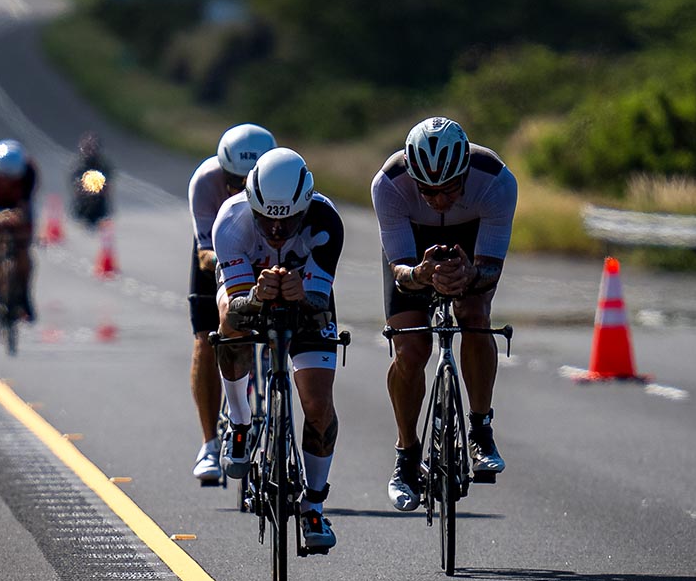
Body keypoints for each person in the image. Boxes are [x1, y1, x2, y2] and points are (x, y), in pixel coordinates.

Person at [371, 116, 517, 512]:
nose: (438, 200)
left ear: (466, 173)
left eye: (449, 189)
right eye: (427, 191)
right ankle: (406, 455)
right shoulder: (388, 185)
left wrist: (471, 275)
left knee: (474, 315)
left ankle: (481, 428)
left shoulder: (496, 181)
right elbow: (399, 272)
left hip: (470, 239)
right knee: (410, 350)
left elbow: (491, 270)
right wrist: (420, 274)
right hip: (413, 247)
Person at [214, 148, 344, 550]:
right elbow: (235, 306)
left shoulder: (327, 221)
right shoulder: (231, 221)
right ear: (251, 204)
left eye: (286, 220)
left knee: (318, 407)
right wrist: (256, 296)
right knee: (227, 323)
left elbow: (319, 303)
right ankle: (239, 420)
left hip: (306, 303)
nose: (275, 229)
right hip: (250, 294)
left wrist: (302, 293)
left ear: (304, 207)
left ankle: (315, 504)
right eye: (265, 219)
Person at [186, 123, 276, 483]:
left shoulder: (280, 178)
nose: (238, 189)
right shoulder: (205, 182)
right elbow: (205, 253)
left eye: (247, 181)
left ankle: (275, 413)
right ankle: (209, 442)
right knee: (207, 339)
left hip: (269, 252)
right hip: (219, 257)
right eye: (232, 180)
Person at [0, 139, 39, 323]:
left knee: (23, 248)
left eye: (12, 178)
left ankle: (25, 294)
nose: (6, 182)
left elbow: (26, 204)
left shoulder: (29, 172)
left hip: (17, 207)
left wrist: (19, 216)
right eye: (3, 177)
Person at [69, 132, 113, 228]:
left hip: (100, 205)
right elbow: (74, 183)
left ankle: (98, 215)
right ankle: (83, 214)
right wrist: (83, 189)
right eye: (88, 148)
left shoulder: (103, 165)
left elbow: (108, 184)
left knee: (100, 206)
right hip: (83, 204)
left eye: (92, 148)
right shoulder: (79, 165)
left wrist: (99, 188)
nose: (90, 151)